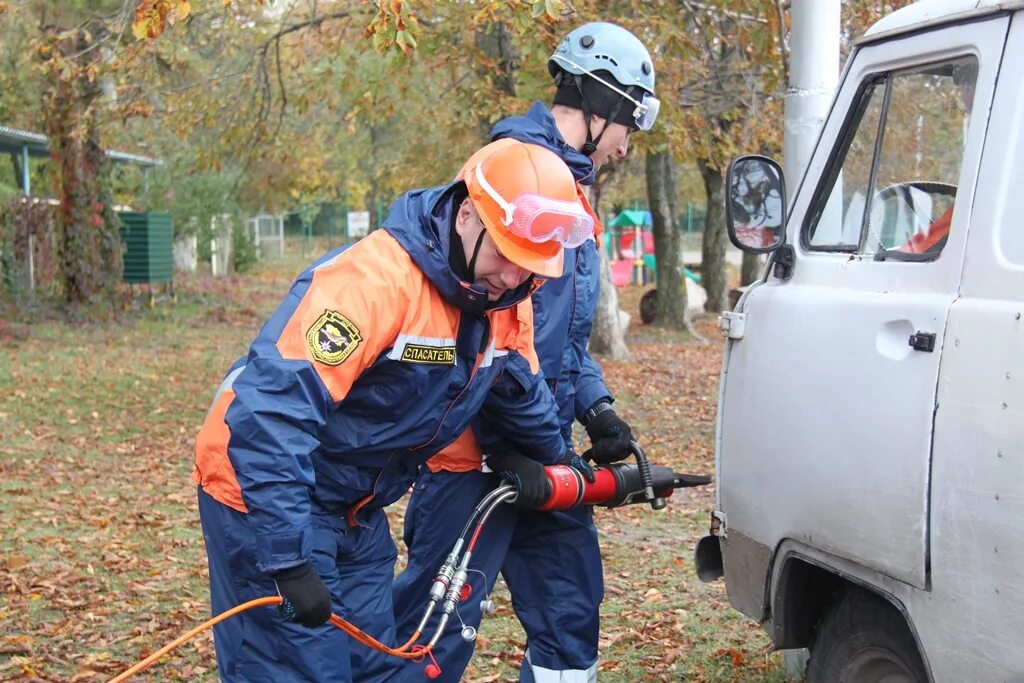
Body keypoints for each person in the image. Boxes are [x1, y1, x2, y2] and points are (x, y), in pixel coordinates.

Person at [192, 140, 595, 682]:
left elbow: (522, 395)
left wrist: (560, 467)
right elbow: (271, 415)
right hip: (260, 493)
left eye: (529, 267)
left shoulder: (504, 299)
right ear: (467, 214)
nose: (512, 278)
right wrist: (286, 561)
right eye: (504, 255)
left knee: (373, 667)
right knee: (297, 667)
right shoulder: (372, 282)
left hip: (354, 507)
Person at [389, 22, 658, 683]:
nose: (630, 142)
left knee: (570, 614)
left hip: (541, 449)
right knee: (433, 632)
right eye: (635, 120)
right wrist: (506, 435)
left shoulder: (570, 189)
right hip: (471, 458)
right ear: (607, 105)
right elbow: (480, 322)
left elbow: (554, 334)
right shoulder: (513, 174)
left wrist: (596, 410)